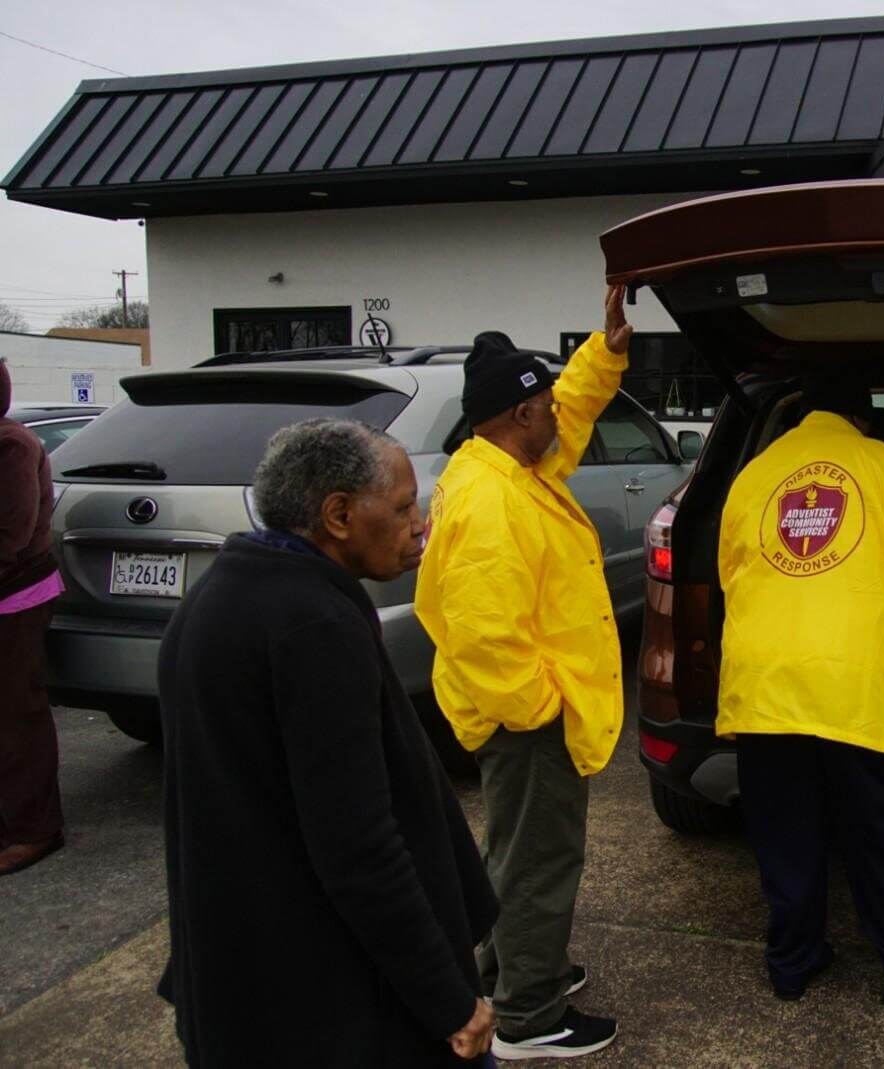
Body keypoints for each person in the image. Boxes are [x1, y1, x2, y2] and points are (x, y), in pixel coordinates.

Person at [156, 419, 498, 1067]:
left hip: (251, 991)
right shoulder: (313, 624)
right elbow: (360, 846)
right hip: (331, 1007)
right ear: (339, 514)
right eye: (400, 508)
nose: (420, 521)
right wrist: (449, 998)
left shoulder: (216, 595)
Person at [415, 285, 632, 1061]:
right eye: (541, 406)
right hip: (524, 715)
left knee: (516, 852)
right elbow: (483, 632)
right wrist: (542, 706)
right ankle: (530, 1019)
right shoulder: (489, 501)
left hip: (524, 709)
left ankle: (512, 969)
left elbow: (567, 406)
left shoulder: (512, 464)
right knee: (541, 859)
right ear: (517, 416)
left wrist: (603, 352)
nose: (555, 416)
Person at [716, 373, 884, 1007]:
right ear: (865, 422)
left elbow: (729, 571)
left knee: (785, 833)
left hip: (767, 686)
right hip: (855, 684)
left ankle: (793, 963)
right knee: (879, 835)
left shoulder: (755, 474)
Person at [0, 357, 67, 877]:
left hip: (16, 595)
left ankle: (35, 829)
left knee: (17, 714)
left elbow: (11, 535)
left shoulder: (12, 445)